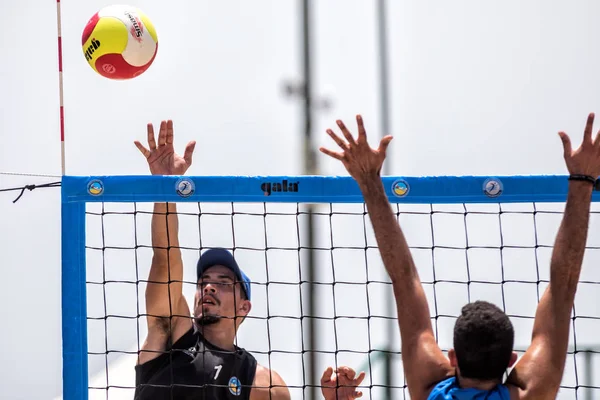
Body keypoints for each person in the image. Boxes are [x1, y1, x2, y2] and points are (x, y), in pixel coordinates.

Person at [319, 113, 600, 400]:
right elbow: (562, 286)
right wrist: (583, 179)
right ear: (511, 360)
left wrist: (368, 180)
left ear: (452, 358)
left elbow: (405, 279)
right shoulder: (529, 394)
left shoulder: (431, 390)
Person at [132, 120, 366, 400]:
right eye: (204, 282)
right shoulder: (171, 333)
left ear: (245, 306)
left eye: (223, 283)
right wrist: (166, 189)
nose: (208, 287)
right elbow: (165, 259)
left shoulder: (264, 383)